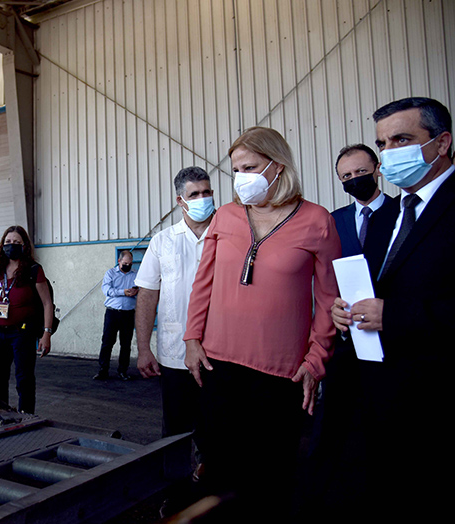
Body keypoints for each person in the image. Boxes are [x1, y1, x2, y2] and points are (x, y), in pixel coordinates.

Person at [183, 127, 341, 518]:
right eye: (236, 170)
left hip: (280, 374)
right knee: (220, 469)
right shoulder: (226, 216)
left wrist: (316, 360)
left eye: (250, 167)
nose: (241, 178)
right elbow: (203, 281)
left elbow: (328, 301)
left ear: (277, 165)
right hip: (217, 366)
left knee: (271, 478)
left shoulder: (317, 221)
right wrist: (192, 339)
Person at [331, 97, 454, 519]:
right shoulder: (396, 212)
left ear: (442, 143)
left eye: (402, 138)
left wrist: (395, 316)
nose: (390, 152)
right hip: (383, 397)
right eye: (383, 143)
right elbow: (383, 287)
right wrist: (343, 310)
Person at [308, 144, 398, 512]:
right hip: (346, 338)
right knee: (335, 424)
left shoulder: (402, 213)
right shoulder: (334, 220)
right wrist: (332, 307)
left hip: (394, 338)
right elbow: (324, 278)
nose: (353, 180)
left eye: (359, 172)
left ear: (376, 169)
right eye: (345, 177)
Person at [135, 167, 214, 442]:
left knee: (217, 428)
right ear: (180, 200)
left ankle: (211, 478)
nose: (203, 198)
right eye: (194, 194)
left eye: (207, 192)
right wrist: (143, 348)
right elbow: (147, 295)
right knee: (176, 430)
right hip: (174, 353)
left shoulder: (228, 236)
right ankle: (175, 479)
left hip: (220, 352)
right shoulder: (162, 241)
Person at [0, 226, 54, 414]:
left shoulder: (33, 270)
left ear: (24, 246)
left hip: (22, 332)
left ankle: (26, 416)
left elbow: (47, 303)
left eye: (16, 243)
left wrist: (46, 334)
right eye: (8, 242)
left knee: (23, 378)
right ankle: (1, 414)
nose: (11, 246)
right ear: (2, 245)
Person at [93, 250, 137, 381]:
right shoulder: (110, 273)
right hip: (113, 312)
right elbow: (106, 290)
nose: (127, 265)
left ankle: (123, 371)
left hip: (128, 313)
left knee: (126, 343)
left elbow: (141, 289)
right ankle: (103, 370)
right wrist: (123, 292)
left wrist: (136, 291)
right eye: (125, 263)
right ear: (119, 261)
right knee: (107, 341)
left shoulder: (135, 274)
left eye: (129, 263)